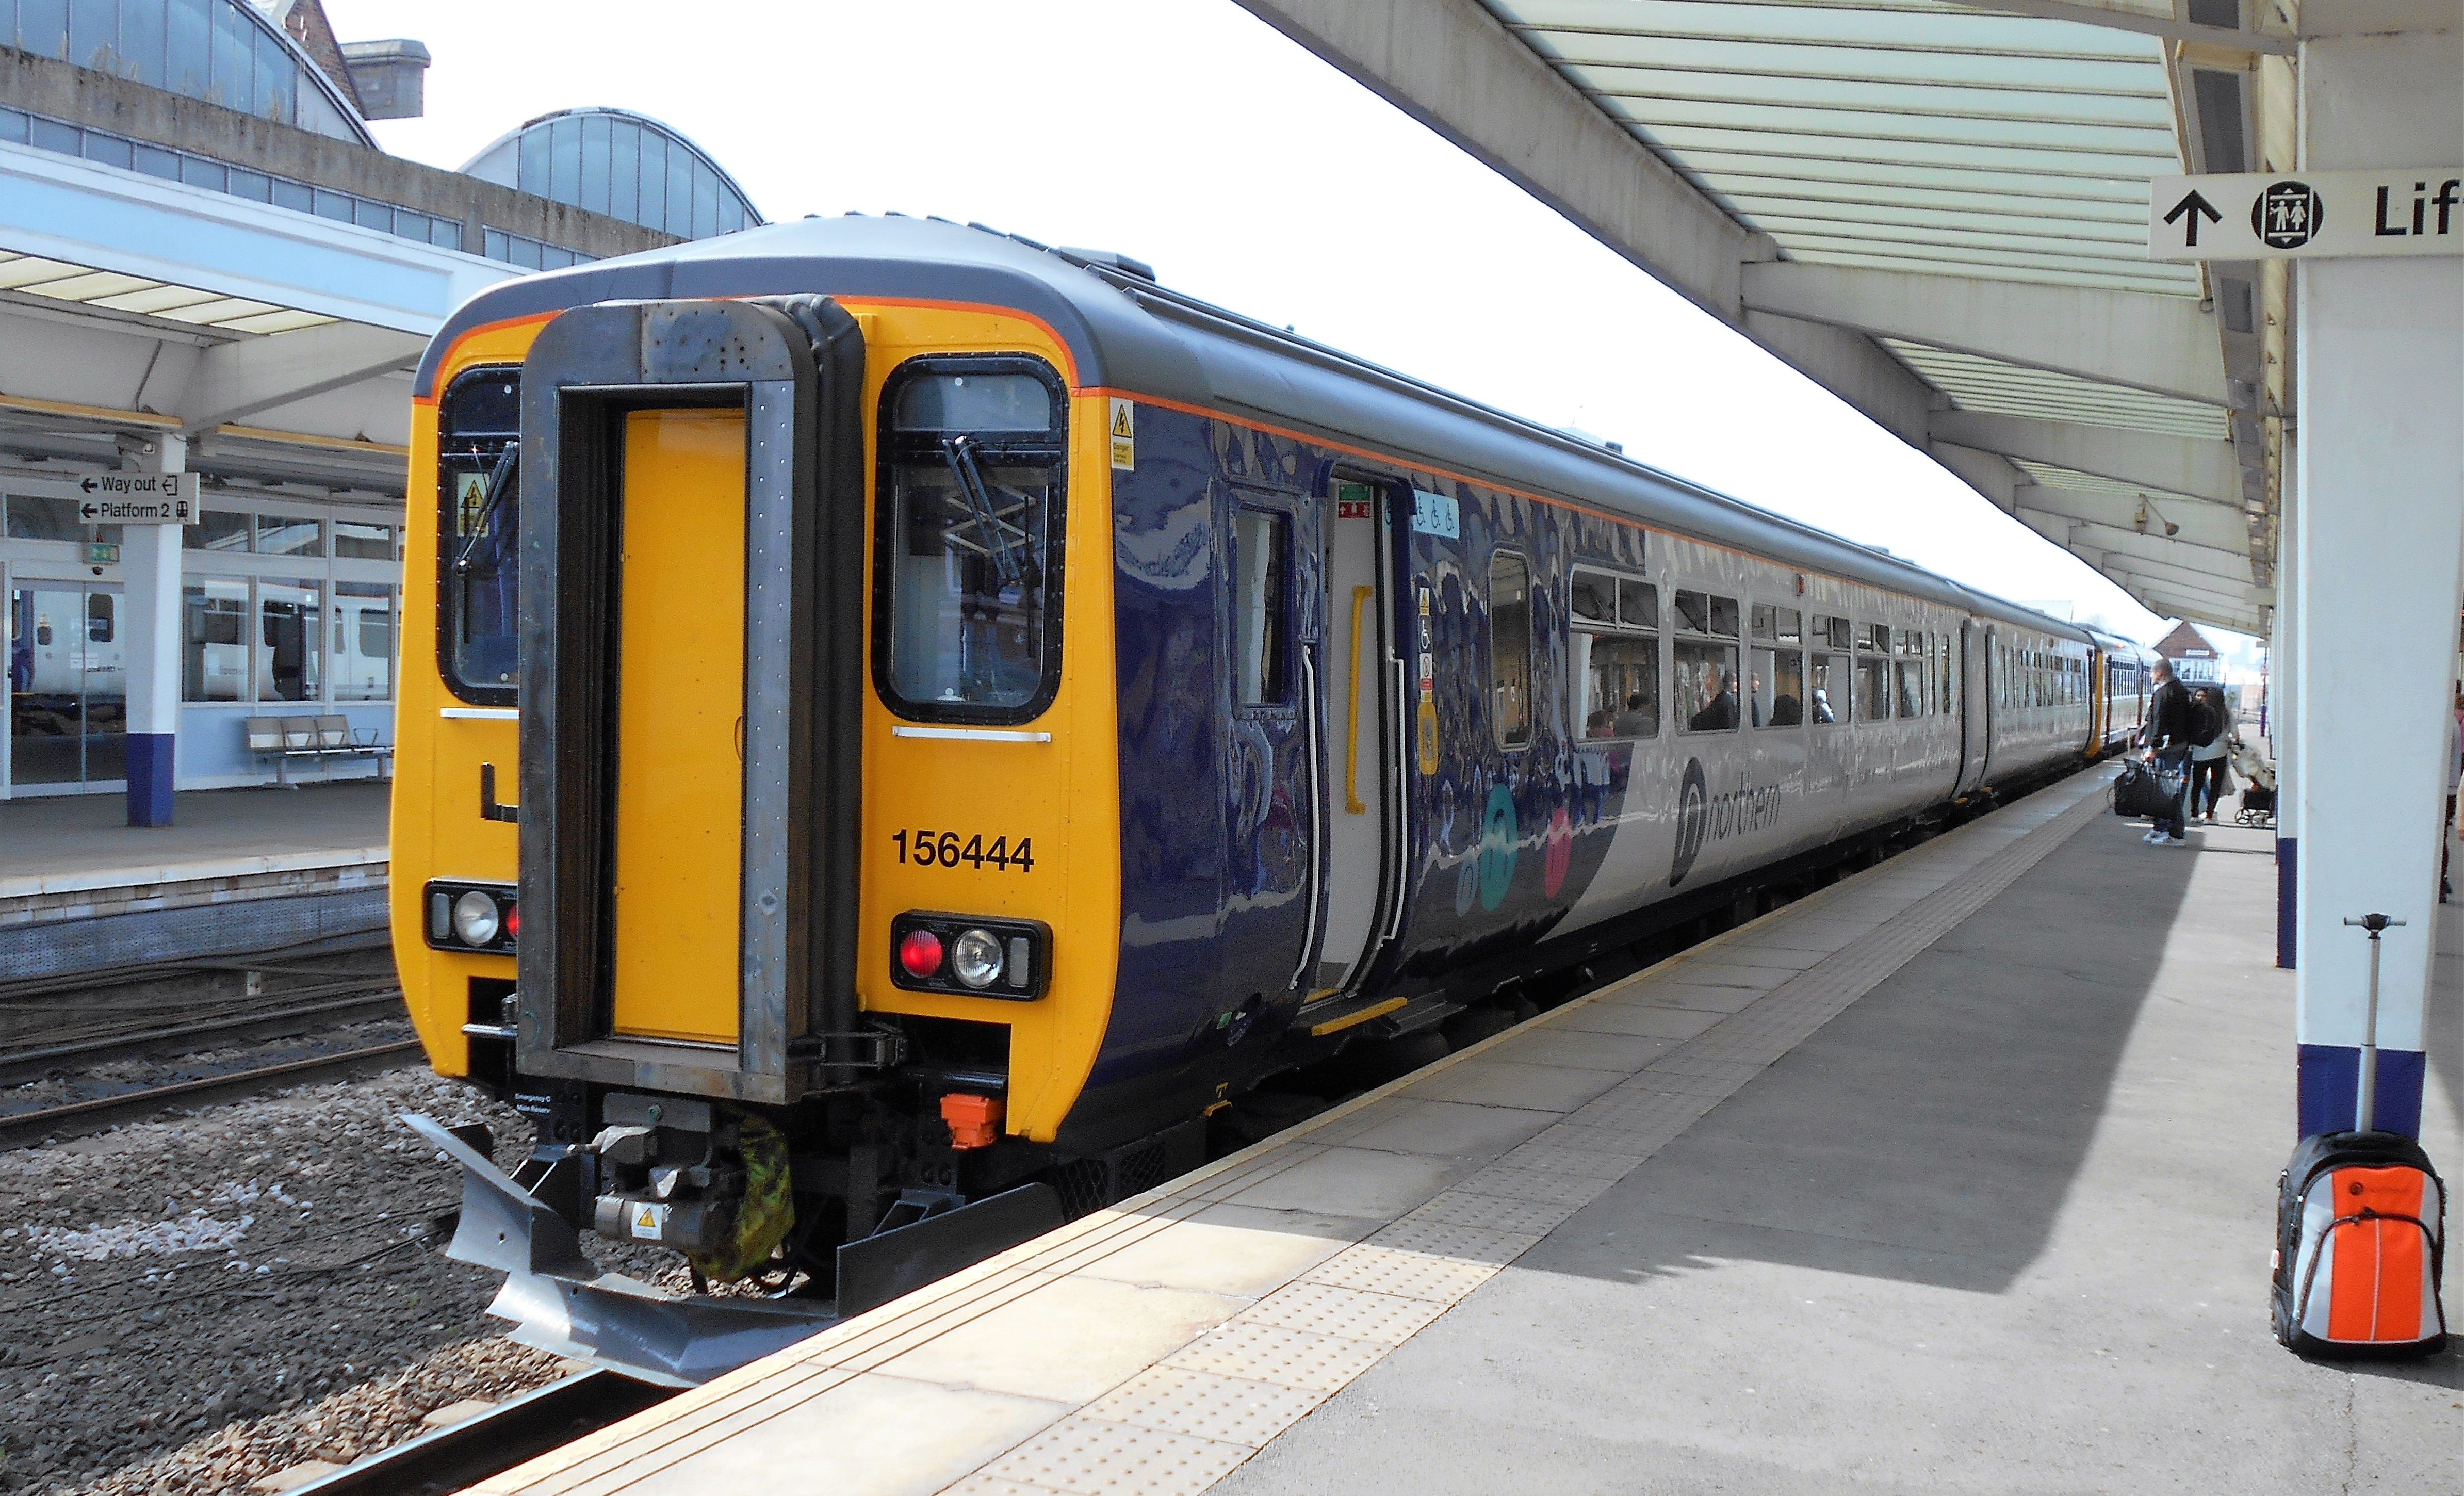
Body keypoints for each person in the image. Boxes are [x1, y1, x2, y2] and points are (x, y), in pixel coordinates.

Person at [2137, 657, 2195, 847]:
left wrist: (2152, 748)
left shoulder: (2164, 693)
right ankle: (2161, 828)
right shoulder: (2182, 690)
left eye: (2153, 672)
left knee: (2168, 791)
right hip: (2180, 745)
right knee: (2165, 790)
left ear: (2160, 673)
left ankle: (2176, 834)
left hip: (2168, 748)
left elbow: (2159, 722)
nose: (2151, 676)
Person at [2188, 685, 2237, 822]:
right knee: (2216, 786)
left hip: (2200, 753)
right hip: (2220, 754)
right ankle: (2210, 815)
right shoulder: (2226, 713)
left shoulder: (2200, 711)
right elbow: (2236, 735)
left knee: (2197, 785)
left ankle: (2194, 815)